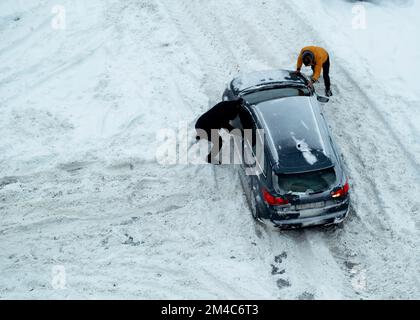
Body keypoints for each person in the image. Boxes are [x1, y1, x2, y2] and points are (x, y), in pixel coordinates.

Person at [195, 98, 243, 164]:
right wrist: (242, 133)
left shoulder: (225, 105)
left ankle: (201, 135)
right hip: (204, 128)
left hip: (200, 123)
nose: (234, 118)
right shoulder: (224, 115)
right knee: (218, 141)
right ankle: (209, 158)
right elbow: (228, 129)